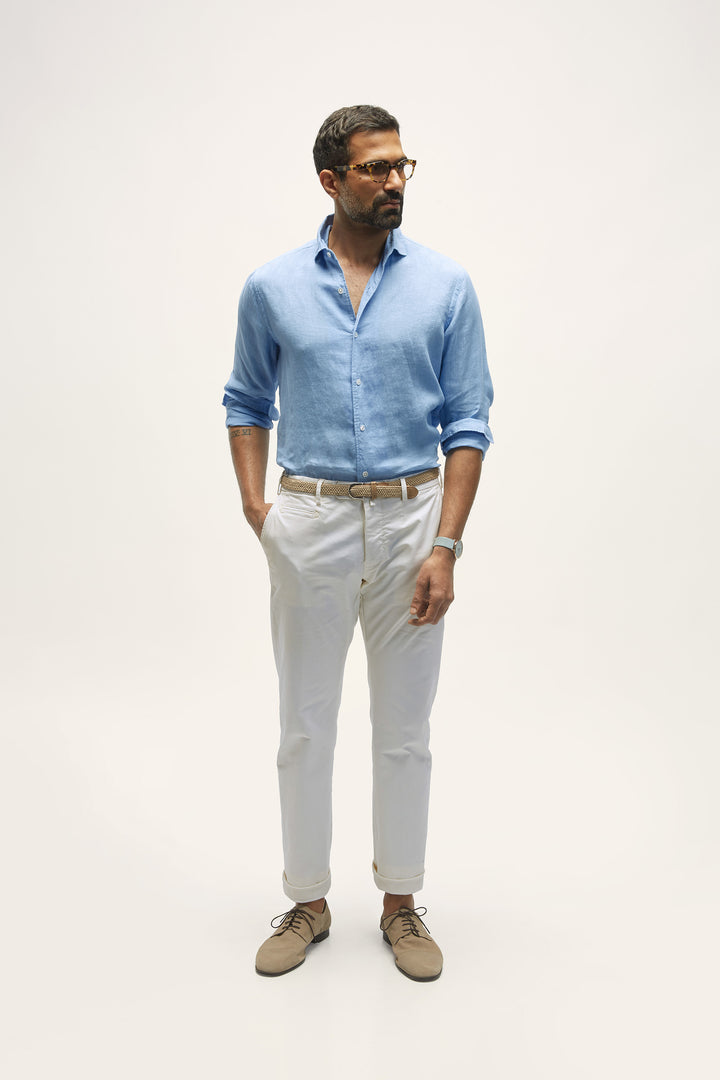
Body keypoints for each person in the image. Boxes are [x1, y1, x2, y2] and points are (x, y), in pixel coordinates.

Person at [223, 105, 493, 981]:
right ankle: (307, 902)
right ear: (331, 180)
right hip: (311, 520)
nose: (393, 181)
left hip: (414, 520)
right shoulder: (271, 286)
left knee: (405, 729)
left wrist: (446, 544)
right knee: (304, 724)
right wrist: (259, 509)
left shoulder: (445, 285)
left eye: (401, 165)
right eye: (375, 168)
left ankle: (401, 903)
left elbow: (469, 422)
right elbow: (244, 401)